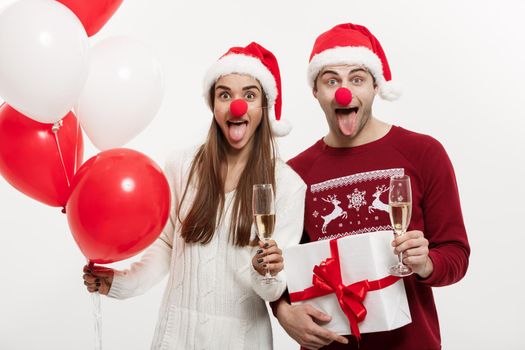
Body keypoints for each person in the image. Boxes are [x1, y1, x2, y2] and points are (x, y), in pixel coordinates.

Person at [83, 42, 306, 350]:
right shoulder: (182, 166)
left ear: (264, 106)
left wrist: (267, 271)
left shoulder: (288, 185)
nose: (236, 106)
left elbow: (273, 290)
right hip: (177, 338)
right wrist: (121, 282)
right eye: (225, 94)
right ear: (213, 103)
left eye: (249, 95)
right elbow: (165, 246)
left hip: (243, 342)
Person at [271, 23, 470, 350]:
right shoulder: (294, 173)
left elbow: (456, 253)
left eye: (357, 79)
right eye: (331, 80)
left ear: (375, 86)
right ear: (315, 91)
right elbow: (281, 268)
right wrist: (282, 312)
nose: (344, 91)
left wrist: (426, 263)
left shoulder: (423, 153)